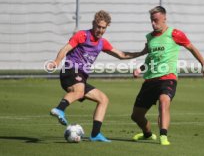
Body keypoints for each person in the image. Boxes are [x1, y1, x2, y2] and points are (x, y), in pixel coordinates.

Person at [47, 10, 147, 142]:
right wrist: (56, 62)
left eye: (103, 28)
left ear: (107, 27)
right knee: (79, 90)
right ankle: (59, 109)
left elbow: (122, 55)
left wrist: (142, 52)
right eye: (98, 26)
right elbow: (66, 48)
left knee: (103, 99)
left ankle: (95, 134)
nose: (100, 30)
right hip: (70, 70)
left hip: (81, 77)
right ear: (93, 24)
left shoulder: (102, 43)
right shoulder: (82, 35)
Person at [131, 6, 204, 146]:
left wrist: (203, 65)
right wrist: (140, 68)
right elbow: (151, 58)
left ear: (164, 18)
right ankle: (148, 134)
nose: (153, 23)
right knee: (136, 116)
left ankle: (163, 135)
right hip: (150, 80)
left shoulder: (175, 34)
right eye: (151, 20)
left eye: (156, 20)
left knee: (164, 101)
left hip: (168, 78)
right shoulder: (150, 37)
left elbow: (192, 48)